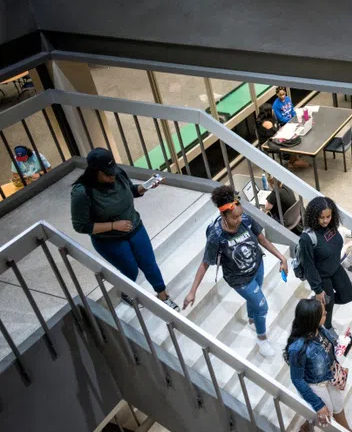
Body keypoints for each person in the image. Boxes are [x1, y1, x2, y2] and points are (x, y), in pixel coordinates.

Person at [183, 185, 289, 358]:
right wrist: (192, 291)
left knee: (255, 302)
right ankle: (262, 340)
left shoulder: (245, 220)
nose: (239, 219)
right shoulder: (216, 236)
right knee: (262, 306)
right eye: (234, 217)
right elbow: (205, 264)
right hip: (240, 279)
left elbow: (261, 238)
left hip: (256, 266)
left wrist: (282, 258)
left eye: (240, 215)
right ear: (223, 215)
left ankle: (252, 319)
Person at [71, 148, 179, 311]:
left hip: (135, 227)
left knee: (149, 263)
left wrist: (146, 186)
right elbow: (80, 226)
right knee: (130, 269)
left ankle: (163, 296)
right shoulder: (82, 192)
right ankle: (125, 291)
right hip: (109, 240)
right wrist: (114, 225)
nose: (112, 176)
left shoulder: (118, 174)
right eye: (107, 174)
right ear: (95, 172)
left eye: (113, 171)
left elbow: (132, 191)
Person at [285, 298, 352, 432]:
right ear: (312, 319)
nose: (326, 313)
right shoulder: (298, 348)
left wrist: (341, 344)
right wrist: (317, 404)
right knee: (324, 413)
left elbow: (329, 347)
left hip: (330, 375)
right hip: (315, 383)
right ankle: (305, 430)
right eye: (322, 314)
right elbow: (297, 379)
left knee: (338, 404)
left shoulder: (320, 330)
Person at [299, 197, 352, 338]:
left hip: (335, 268)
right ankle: (327, 326)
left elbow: (337, 239)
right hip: (321, 276)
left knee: (348, 296)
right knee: (327, 305)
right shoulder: (307, 238)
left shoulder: (331, 225)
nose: (325, 221)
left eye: (328, 216)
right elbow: (309, 266)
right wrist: (318, 289)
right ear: (313, 216)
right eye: (321, 217)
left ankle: (319, 304)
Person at [256, 103, 308, 169]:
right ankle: (292, 162)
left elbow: (276, 128)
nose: (273, 110)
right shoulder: (267, 123)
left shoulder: (270, 118)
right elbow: (273, 135)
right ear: (268, 111)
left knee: (292, 137)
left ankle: (295, 159)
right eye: (271, 109)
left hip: (274, 137)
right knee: (291, 141)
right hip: (269, 143)